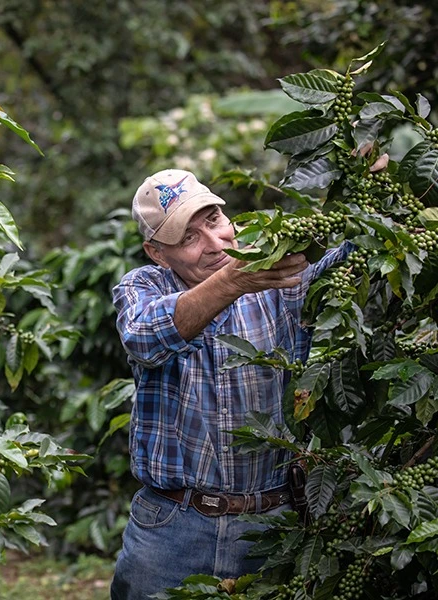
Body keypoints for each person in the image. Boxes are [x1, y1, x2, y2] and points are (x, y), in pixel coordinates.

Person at [110, 168, 351, 599]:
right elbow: (145, 337)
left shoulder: (275, 278)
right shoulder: (144, 286)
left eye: (214, 220)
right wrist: (233, 281)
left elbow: (348, 263)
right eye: (188, 237)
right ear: (157, 253)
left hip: (272, 524)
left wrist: (358, 194)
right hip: (173, 527)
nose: (214, 242)